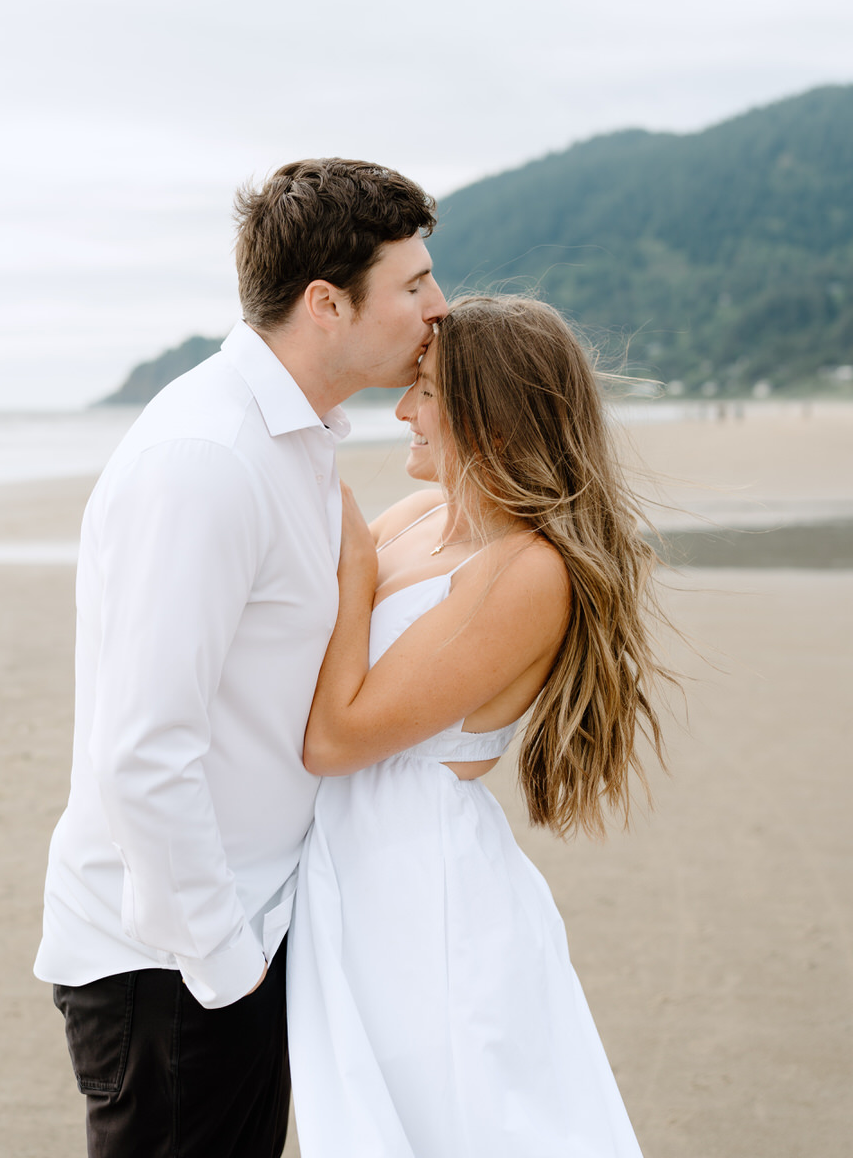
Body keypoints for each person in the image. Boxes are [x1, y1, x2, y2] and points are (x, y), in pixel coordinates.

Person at [34, 158, 447, 1158]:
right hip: (173, 963)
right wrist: (225, 964)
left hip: (243, 934)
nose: (440, 306)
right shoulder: (207, 459)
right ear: (326, 305)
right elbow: (143, 751)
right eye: (415, 283)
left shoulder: (294, 441)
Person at [287, 294, 674, 1158]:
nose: (401, 412)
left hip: (425, 891)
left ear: (489, 417)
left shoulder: (529, 571)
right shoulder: (420, 519)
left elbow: (337, 737)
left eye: (423, 392)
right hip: (352, 870)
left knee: (461, 1122)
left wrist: (354, 572)